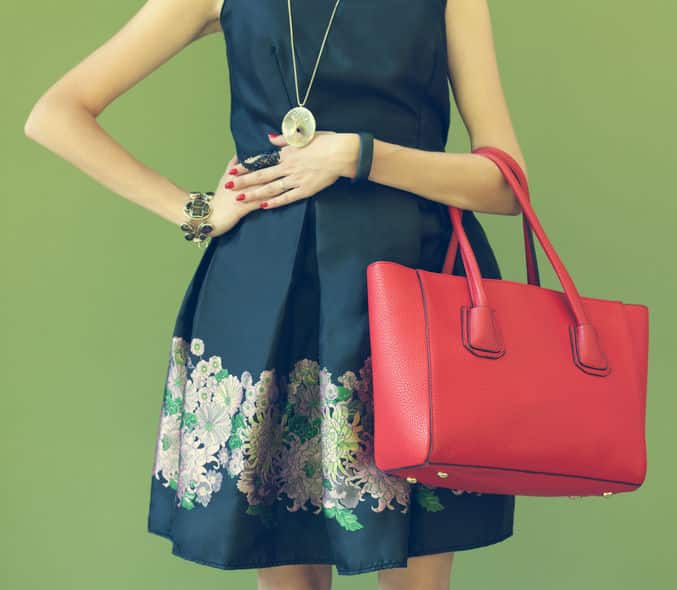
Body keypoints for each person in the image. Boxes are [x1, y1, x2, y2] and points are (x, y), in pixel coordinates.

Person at [24, 0, 528, 587]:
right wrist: (198, 213)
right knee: (286, 571)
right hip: (270, 297)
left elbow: (505, 182)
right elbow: (55, 114)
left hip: (413, 297)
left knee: (418, 574)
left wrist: (360, 156)